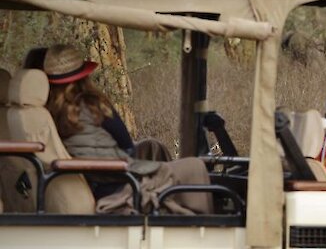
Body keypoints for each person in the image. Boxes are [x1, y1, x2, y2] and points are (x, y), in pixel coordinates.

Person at [42, 44, 210, 214]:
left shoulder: (47, 111)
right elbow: (126, 143)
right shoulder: (92, 104)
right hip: (119, 182)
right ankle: (202, 224)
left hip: (95, 179)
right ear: (83, 76)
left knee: (152, 146)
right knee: (194, 166)